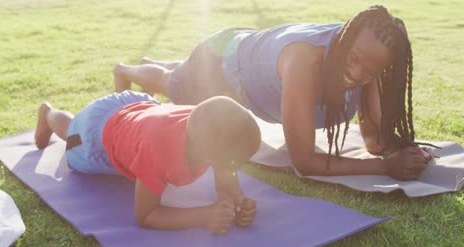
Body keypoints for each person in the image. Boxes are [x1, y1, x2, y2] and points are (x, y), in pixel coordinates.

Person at [113, 5, 434, 180]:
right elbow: (304, 161)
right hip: (221, 59)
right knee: (174, 83)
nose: (359, 74)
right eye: (355, 60)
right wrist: (383, 168)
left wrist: (401, 151)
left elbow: (373, 140)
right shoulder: (304, 62)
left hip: (251, 52)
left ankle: (161, 64)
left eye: (373, 71)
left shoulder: (368, 62)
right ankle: (127, 70)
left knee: (179, 72)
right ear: (345, 41)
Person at [34, 91, 261, 235]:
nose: (232, 169)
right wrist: (205, 215)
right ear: (207, 152)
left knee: (138, 143)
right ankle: (48, 114)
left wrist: (236, 204)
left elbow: (226, 184)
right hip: (98, 130)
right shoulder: (158, 150)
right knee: (71, 133)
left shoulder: (212, 133)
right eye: (231, 163)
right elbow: (146, 216)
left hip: (141, 108)